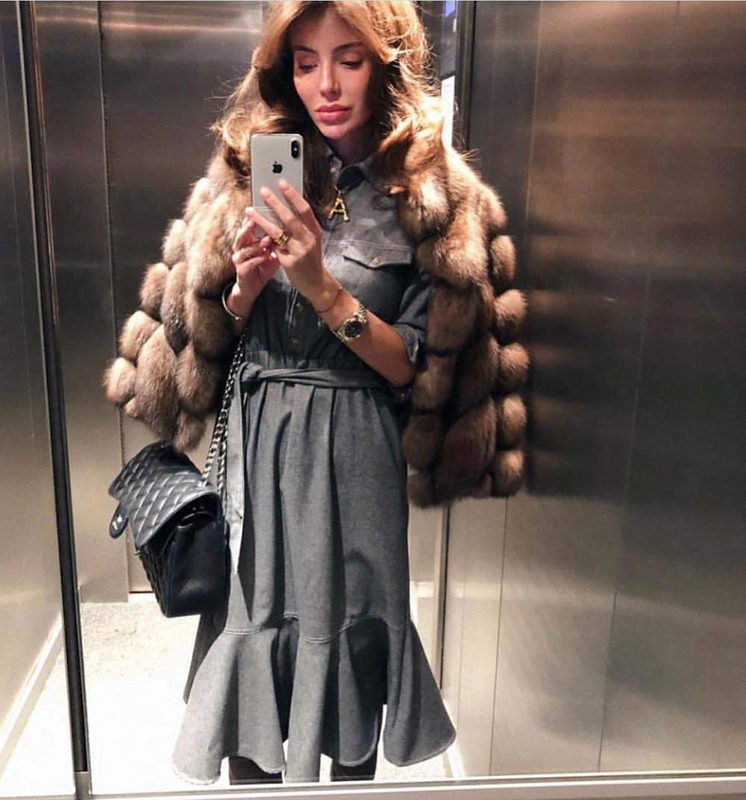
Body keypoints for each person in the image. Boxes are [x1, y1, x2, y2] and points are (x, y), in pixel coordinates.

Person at [104, 0, 529, 785]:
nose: (325, 85)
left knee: (351, 627)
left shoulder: (429, 197)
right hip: (259, 444)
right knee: (253, 621)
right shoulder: (249, 173)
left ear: (386, 65)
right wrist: (242, 290)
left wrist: (323, 290)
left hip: (356, 446)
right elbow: (202, 338)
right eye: (305, 63)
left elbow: (412, 366)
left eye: (348, 60)